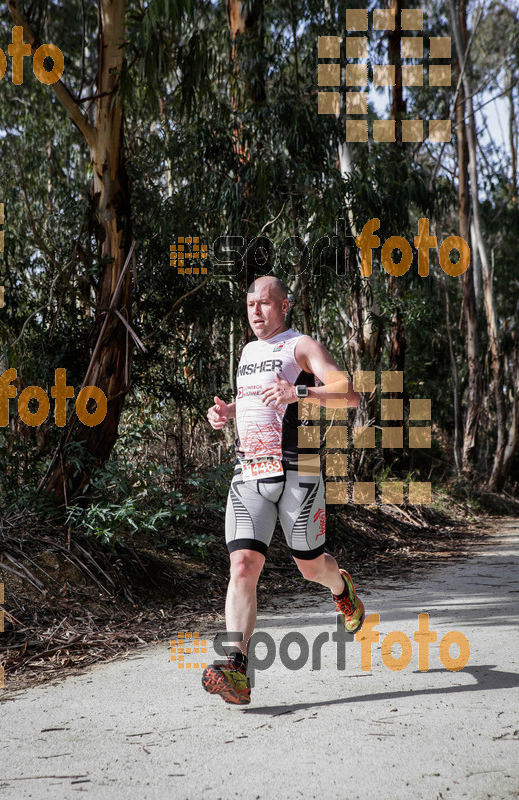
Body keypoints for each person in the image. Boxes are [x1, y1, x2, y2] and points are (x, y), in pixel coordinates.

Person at [202, 275, 363, 705]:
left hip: (300, 468)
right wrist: (228, 413)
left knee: (310, 568)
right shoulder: (248, 351)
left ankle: (341, 589)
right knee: (242, 566)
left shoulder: (301, 346)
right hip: (249, 469)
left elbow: (350, 395)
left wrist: (300, 390)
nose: (256, 311)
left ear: (285, 306)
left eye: (266, 304)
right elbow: (260, 399)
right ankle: (236, 668)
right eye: (251, 304)